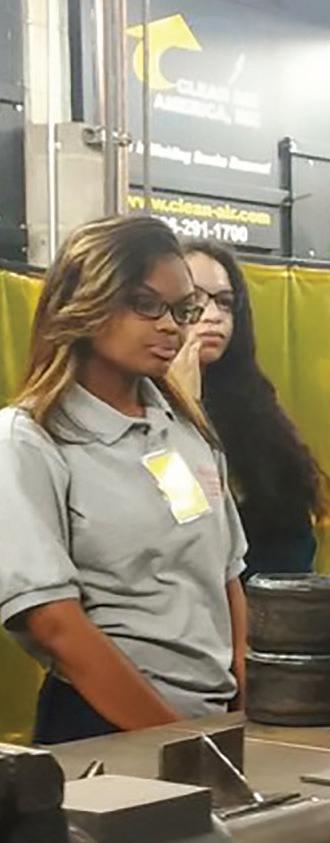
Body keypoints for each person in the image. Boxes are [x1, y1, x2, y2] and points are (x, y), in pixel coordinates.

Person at [0, 215, 249, 743]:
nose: (171, 327)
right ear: (85, 303)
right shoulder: (30, 439)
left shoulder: (184, 430)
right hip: (104, 725)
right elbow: (53, 622)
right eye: (145, 304)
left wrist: (245, 705)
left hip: (213, 716)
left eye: (181, 310)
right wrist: (174, 737)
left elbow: (227, 575)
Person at [175, 239, 329, 575]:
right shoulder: (137, 409)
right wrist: (184, 409)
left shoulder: (253, 408)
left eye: (225, 303)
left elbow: (292, 534)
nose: (214, 316)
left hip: (265, 591)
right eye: (194, 300)